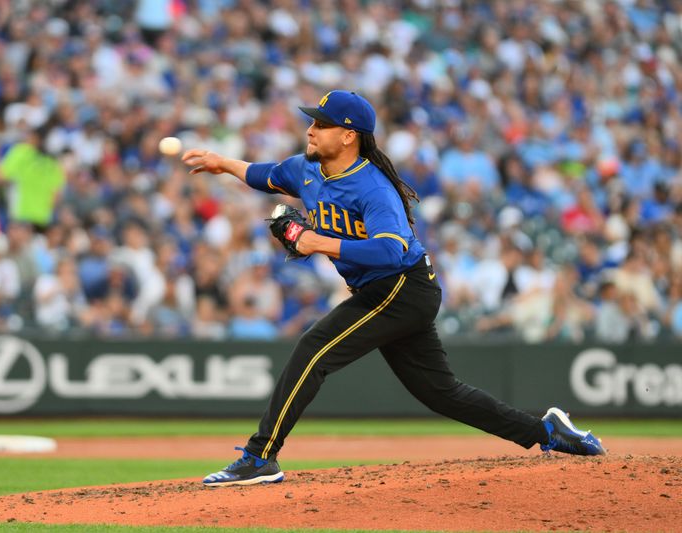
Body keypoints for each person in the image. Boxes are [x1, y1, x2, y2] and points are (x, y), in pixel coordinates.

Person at [182, 90, 606, 487]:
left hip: (401, 286)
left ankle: (260, 457)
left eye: (322, 124)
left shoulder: (372, 187)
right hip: (387, 290)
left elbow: (390, 250)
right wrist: (224, 163)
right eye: (313, 122)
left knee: (313, 349)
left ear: (349, 136)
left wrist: (315, 241)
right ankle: (547, 431)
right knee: (442, 394)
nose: (311, 130)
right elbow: (265, 175)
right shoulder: (307, 168)